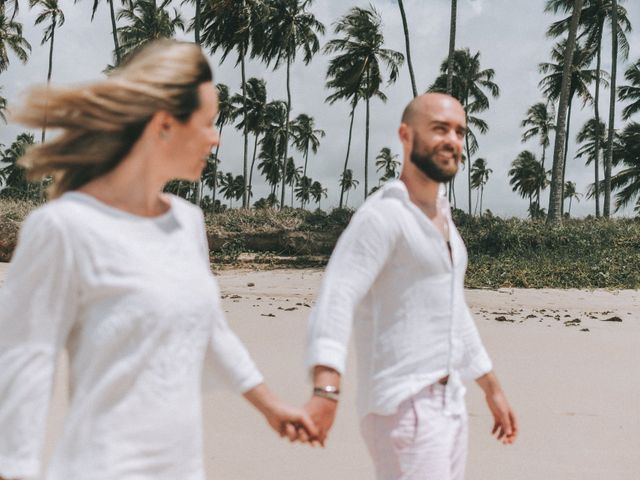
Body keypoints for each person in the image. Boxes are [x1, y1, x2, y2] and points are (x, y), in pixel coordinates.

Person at [0, 40, 316, 480]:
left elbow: (210, 329)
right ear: (164, 126)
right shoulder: (64, 228)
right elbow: (25, 366)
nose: (216, 137)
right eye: (208, 123)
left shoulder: (187, 222)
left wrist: (271, 406)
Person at [304, 93, 518, 479]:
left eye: (459, 131)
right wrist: (326, 388)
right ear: (406, 136)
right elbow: (337, 296)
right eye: (439, 129)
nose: (452, 139)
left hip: (449, 401)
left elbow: (453, 310)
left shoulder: (444, 218)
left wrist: (491, 386)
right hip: (404, 405)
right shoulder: (384, 216)